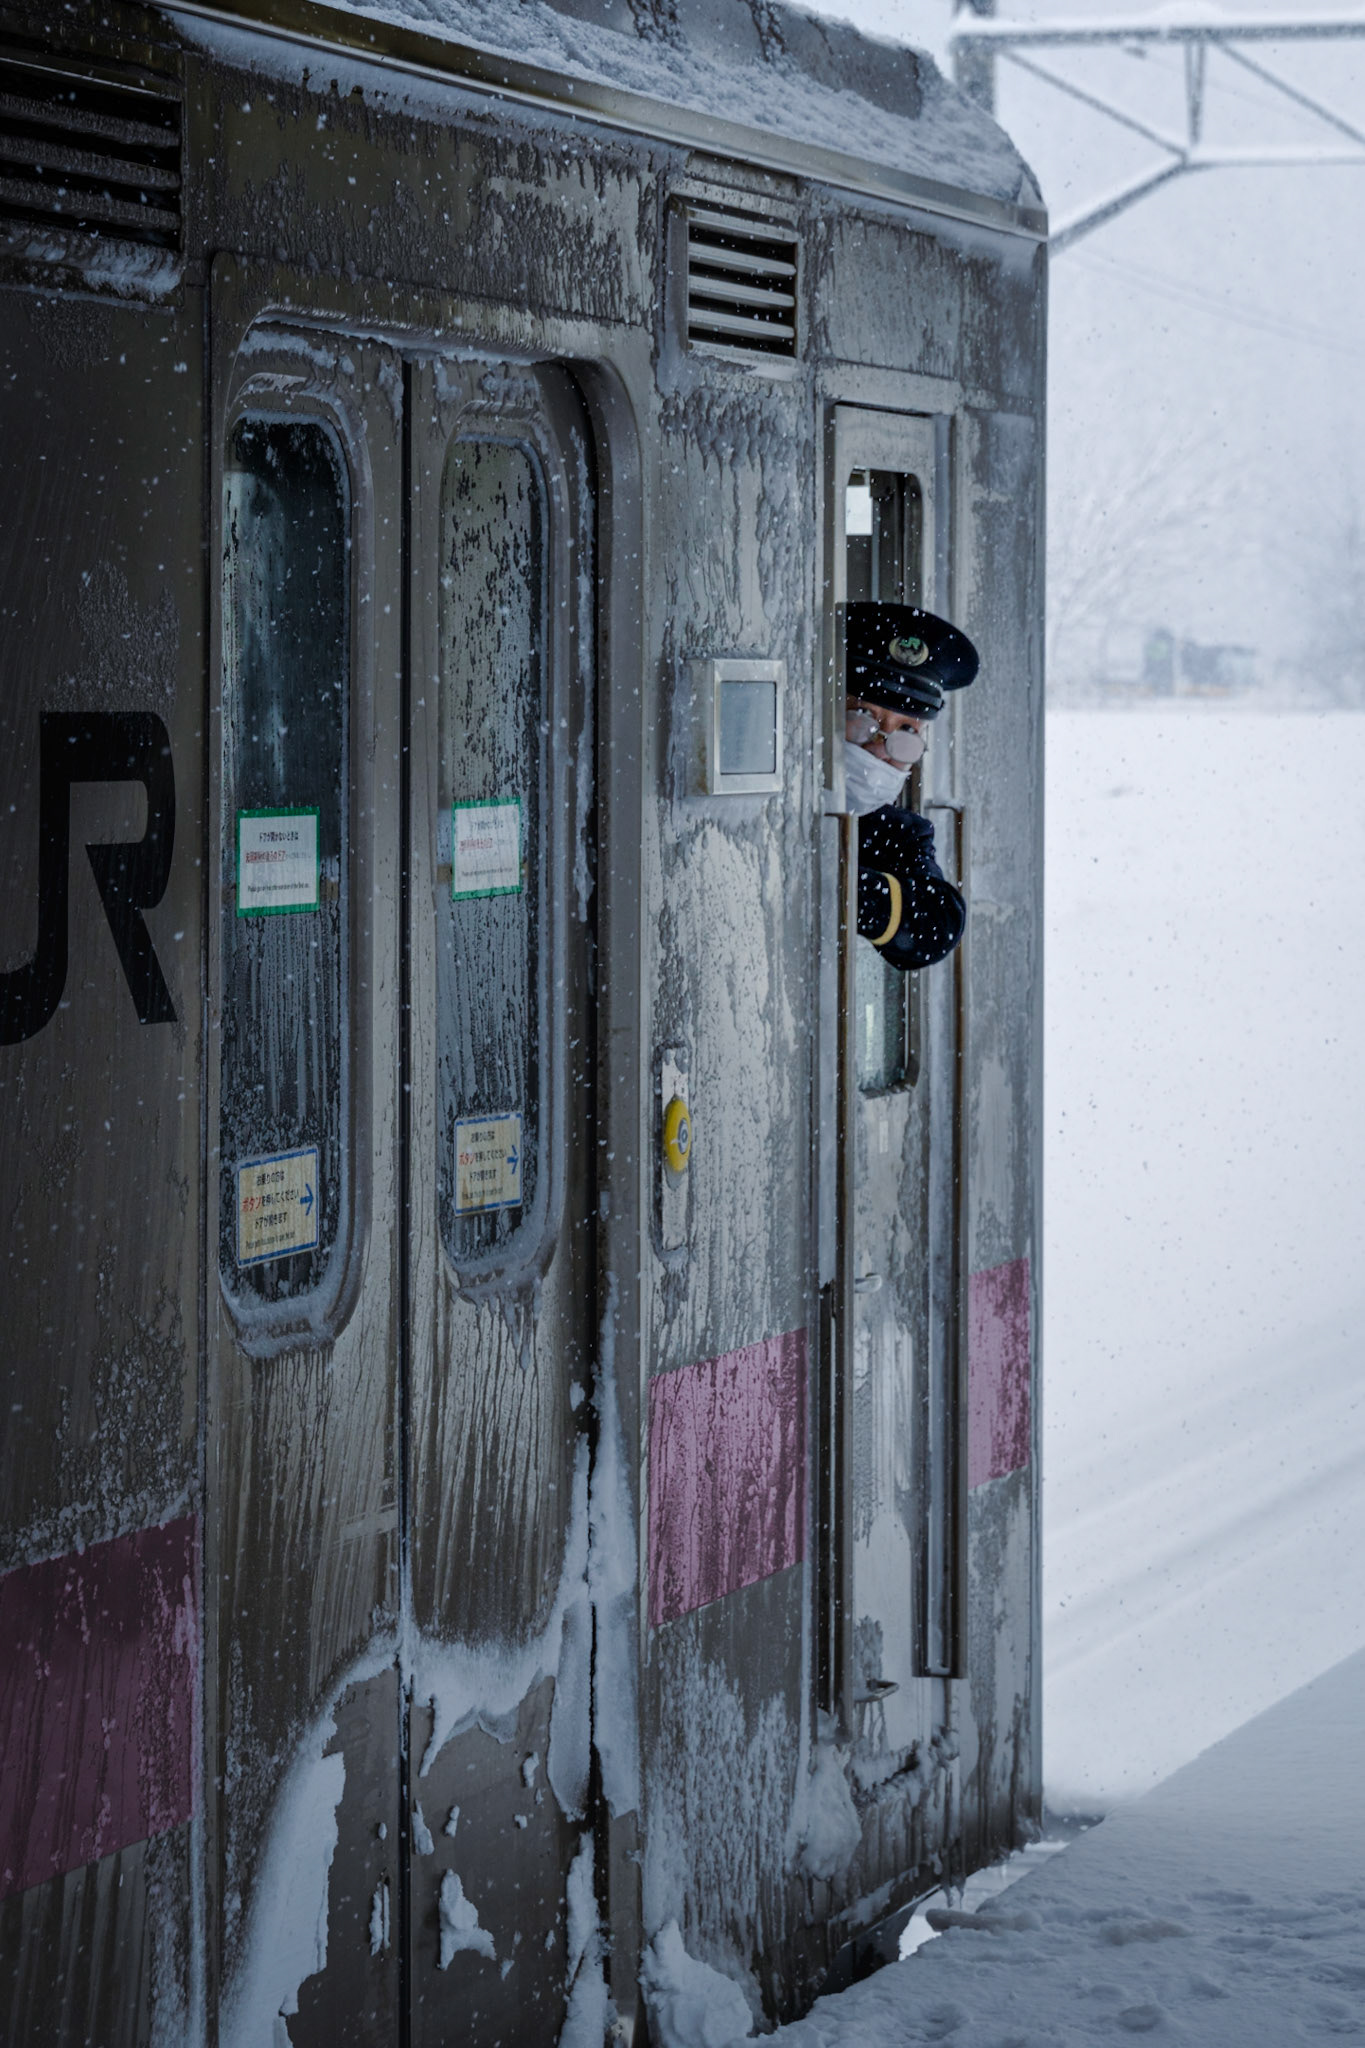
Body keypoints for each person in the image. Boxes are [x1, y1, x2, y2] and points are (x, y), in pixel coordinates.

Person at [842, 601, 979, 971]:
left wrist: (840, 883)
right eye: (863, 718)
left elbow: (938, 924)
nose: (879, 750)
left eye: (906, 733)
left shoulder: (898, 834)